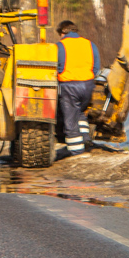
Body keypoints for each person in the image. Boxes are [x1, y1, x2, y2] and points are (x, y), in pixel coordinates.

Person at [55, 20, 100, 157]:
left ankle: (76, 151)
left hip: (69, 85)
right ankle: (85, 138)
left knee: (70, 119)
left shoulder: (60, 46)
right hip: (87, 85)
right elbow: (96, 67)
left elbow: (58, 66)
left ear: (63, 32)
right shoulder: (90, 44)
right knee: (80, 111)